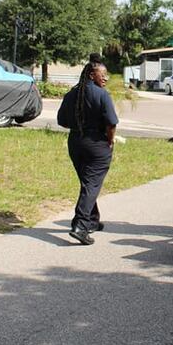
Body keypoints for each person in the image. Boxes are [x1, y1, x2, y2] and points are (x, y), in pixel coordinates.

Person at [57, 59, 119, 245]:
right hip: (97, 144)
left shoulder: (71, 94)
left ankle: (92, 219)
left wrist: (79, 125)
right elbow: (111, 123)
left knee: (88, 183)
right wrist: (110, 140)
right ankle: (81, 226)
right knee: (91, 185)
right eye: (103, 75)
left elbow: (62, 121)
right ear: (92, 75)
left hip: (75, 142)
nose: (106, 78)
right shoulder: (101, 94)